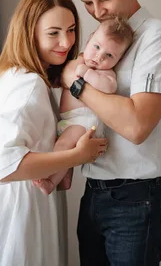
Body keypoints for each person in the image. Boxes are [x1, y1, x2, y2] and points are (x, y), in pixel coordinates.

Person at [0, 0, 108, 266]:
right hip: (15, 215)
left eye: (70, 30)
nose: (66, 42)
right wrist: (79, 155)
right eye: (53, 33)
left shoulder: (17, 76)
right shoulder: (27, 85)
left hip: (12, 208)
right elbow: (5, 165)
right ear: (29, 32)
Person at [61, 0, 161, 265]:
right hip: (94, 192)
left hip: (137, 200)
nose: (97, 11)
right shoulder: (102, 36)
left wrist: (77, 84)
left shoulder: (158, 40)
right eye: (87, 3)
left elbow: (136, 126)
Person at [33, 16, 133, 195]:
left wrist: (88, 75)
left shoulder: (106, 73)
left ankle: (50, 182)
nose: (98, 57)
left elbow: (109, 88)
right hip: (70, 120)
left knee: (63, 147)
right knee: (63, 147)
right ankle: (65, 178)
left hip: (84, 122)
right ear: (89, 40)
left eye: (109, 55)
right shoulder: (78, 61)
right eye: (96, 47)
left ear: (119, 59)